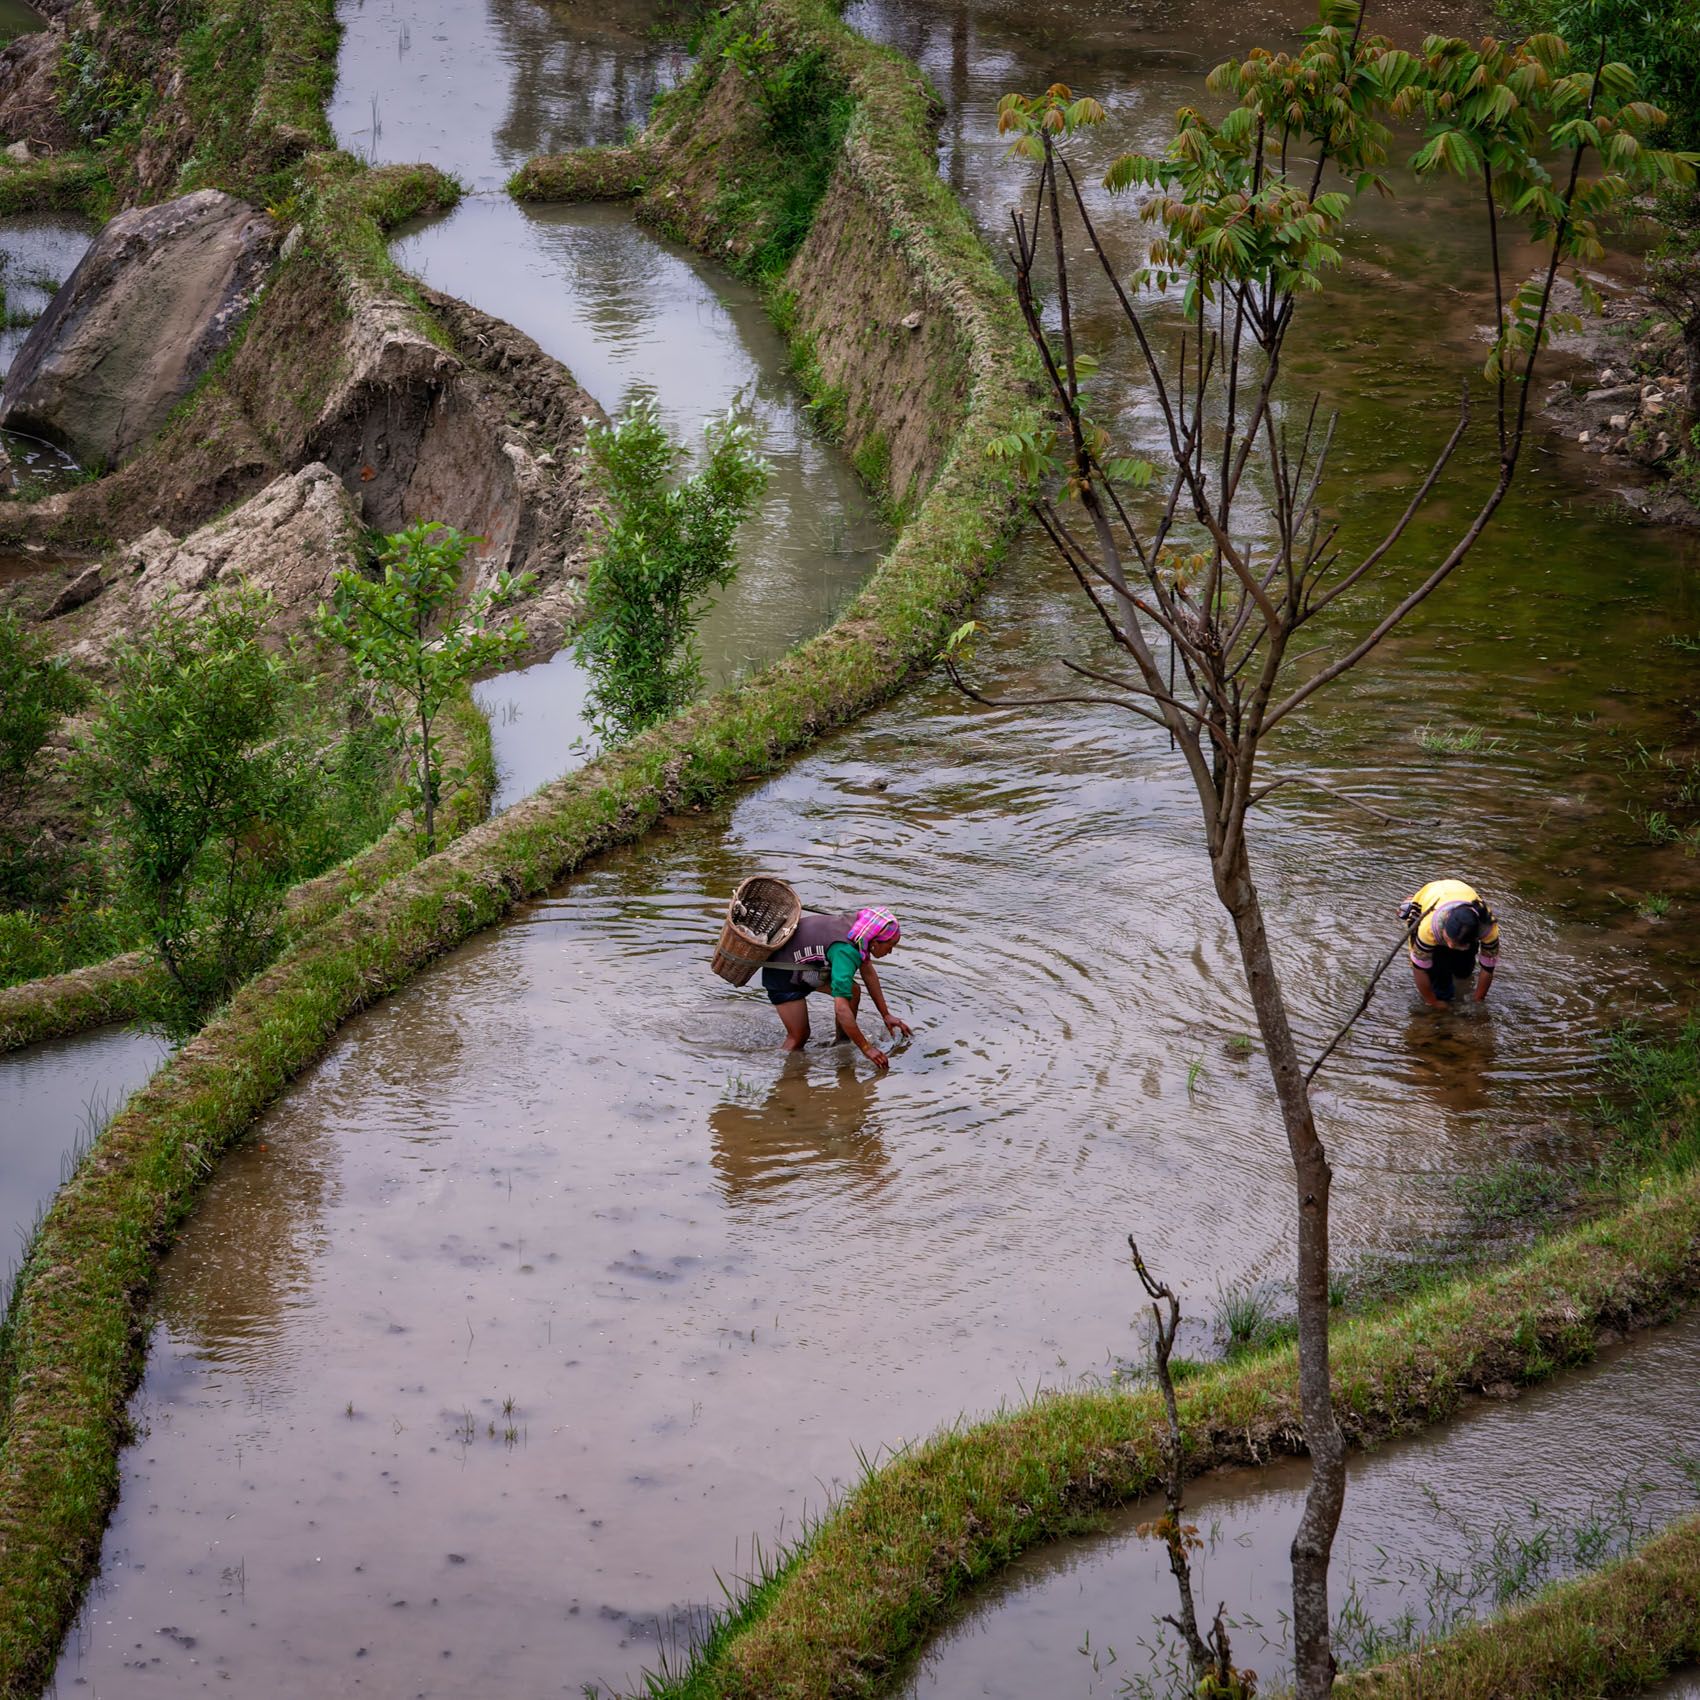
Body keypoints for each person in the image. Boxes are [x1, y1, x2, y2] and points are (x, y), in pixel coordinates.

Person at [761, 905, 912, 1069]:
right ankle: (777, 1070)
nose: (890, 952)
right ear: (875, 942)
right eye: (890, 946)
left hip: (805, 966)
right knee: (799, 1037)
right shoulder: (846, 951)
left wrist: (886, 1014)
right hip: (783, 973)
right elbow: (841, 1009)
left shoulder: (861, 931)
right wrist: (866, 1048)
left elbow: (868, 973)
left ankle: (842, 1042)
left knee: (852, 991)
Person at [1398, 878, 1501, 1008]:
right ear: (1445, 926)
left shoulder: (1488, 928)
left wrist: (1478, 1000)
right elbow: (1419, 969)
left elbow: (1488, 968)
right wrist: (1433, 1001)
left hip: (1462, 894)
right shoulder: (1429, 927)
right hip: (1431, 896)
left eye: (1458, 944)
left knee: (1464, 973)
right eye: (1450, 940)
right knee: (1440, 985)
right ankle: (1409, 903)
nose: (1451, 946)